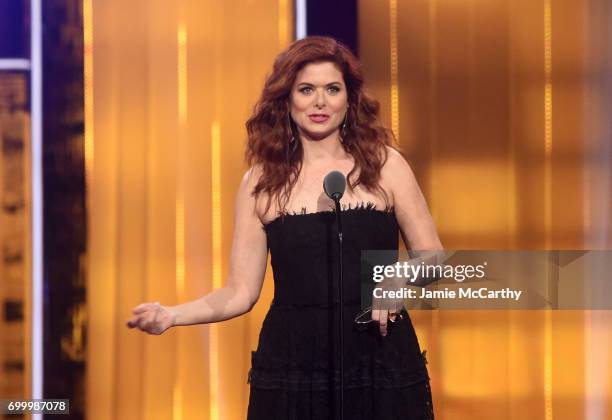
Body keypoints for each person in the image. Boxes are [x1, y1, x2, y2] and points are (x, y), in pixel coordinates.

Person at [127, 36, 442, 419]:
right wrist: (172, 315)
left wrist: (397, 279)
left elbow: (433, 259)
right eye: (306, 90)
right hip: (293, 367)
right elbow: (240, 292)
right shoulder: (261, 183)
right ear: (287, 99)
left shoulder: (385, 166)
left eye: (332, 89)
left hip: (380, 361)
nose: (320, 102)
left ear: (350, 98)